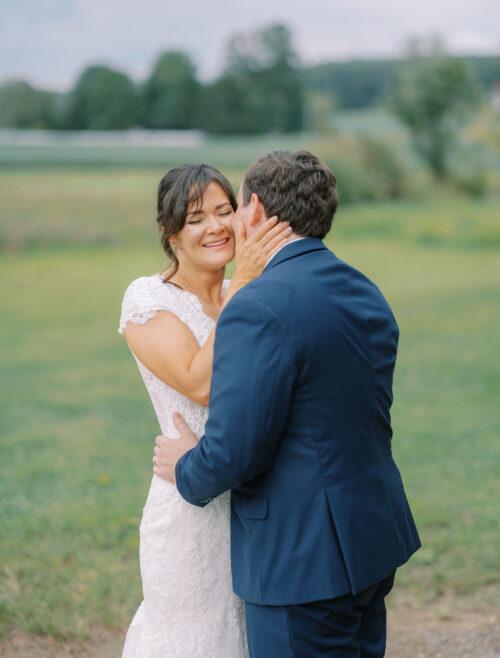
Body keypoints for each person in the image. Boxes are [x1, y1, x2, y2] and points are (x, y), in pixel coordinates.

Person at [154, 150, 421, 658]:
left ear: (253, 211)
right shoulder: (364, 290)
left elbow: (237, 449)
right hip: (371, 538)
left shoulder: (256, 306)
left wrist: (186, 467)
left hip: (301, 560)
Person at [118, 163, 292, 658]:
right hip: (189, 504)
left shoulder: (252, 290)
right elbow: (199, 382)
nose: (215, 226)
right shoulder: (147, 299)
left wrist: (245, 287)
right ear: (170, 232)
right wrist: (245, 285)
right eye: (196, 218)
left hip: (257, 498)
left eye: (224, 211)